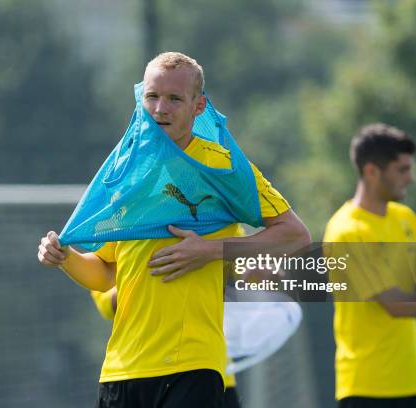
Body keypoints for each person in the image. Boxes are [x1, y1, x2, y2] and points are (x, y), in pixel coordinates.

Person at [38, 52, 310, 408]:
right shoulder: (124, 174)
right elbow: (105, 275)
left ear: (198, 107)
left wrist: (209, 251)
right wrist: (65, 258)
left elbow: (294, 235)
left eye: (174, 99)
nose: (160, 108)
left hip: (193, 367)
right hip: (121, 372)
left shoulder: (223, 165)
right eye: (152, 96)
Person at [323, 123, 416, 408]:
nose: (411, 178)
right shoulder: (347, 232)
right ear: (371, 171)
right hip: (366, 389)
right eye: (402, 170)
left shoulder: (404, 218)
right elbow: (396, 305)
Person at [89, 288, 242, 408]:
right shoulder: (109, 250)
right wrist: (141, 272)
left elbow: (238, 280)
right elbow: (106, 304)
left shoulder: (209, 248)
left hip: (203, 370)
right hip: (134, 373)